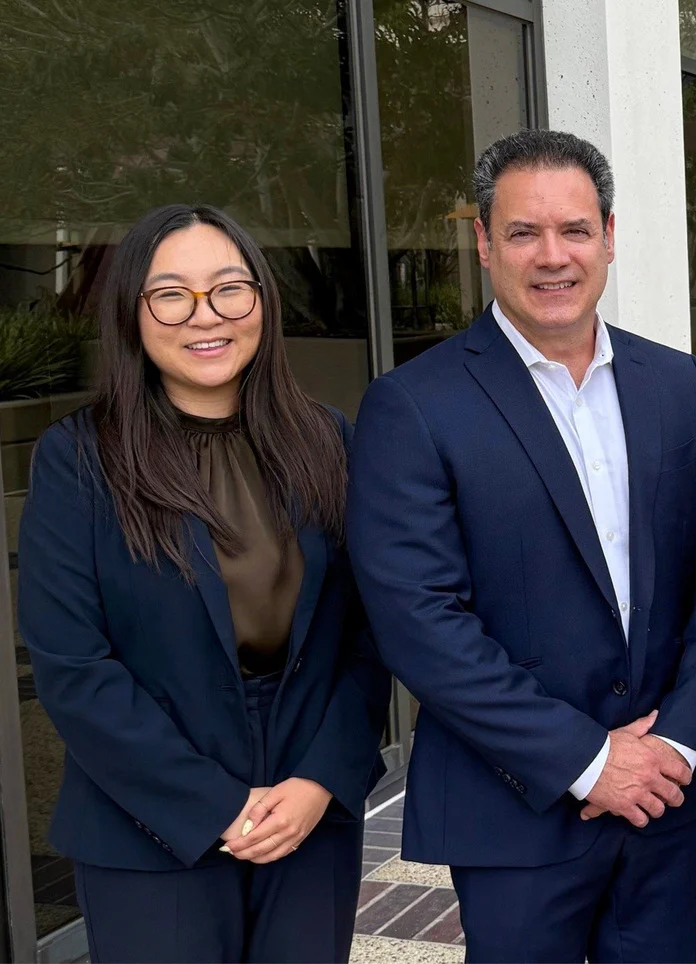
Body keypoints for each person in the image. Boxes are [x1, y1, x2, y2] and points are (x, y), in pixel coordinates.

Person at [347, 129, 696, 963]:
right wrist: (585, 758)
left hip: (664, 801)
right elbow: (420, 621)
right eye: (523, 232)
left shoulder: (677, 384)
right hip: (516, 810)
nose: (552, 256)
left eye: (574, 230)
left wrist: (676, 740)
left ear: (609, 236)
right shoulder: (413, 407)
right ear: (483, 244)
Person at [18, 204, 391, 963]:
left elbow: (370, 633)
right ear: (132, 312)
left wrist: (321, 778)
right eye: (171, 295)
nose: (205, 316)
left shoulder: (327, 440)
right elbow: (71, 666)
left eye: (228, 288)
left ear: (261, 301)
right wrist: (215, 805)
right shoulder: (79, 460)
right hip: (148, 817)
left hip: (306, 810)